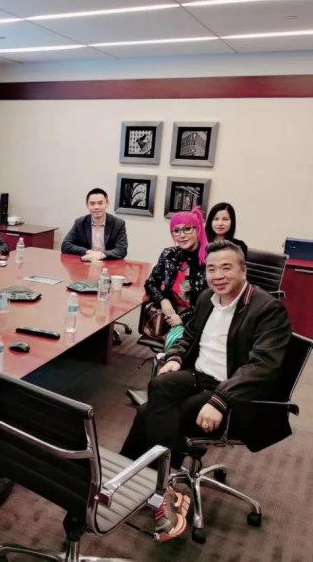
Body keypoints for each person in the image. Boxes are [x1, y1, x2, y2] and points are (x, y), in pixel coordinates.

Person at [121, 240, 291, 541]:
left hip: (234, 390)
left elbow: (262, 367)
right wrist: (174, 358)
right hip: (198, 376)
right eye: (212, 268)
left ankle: (141, 481)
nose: (218, 275)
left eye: (227, 268)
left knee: (154, 411)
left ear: (244, 270)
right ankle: (161, 486)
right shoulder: (206, 298)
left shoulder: (268, 309)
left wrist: (220, 399)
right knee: (159, 383)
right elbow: (188, 336)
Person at [144, 207, 208, 342]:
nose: (182, 235)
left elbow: (210, 299)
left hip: (198, 320)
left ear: (198, 230)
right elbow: (150, 283)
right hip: (170, 315)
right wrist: (163, 300)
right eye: (176, 231)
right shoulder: (169, 255)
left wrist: (182, 318)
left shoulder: (210, 259)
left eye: (187, 229)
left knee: (177, 347)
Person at [61, 188, 128, 261]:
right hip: (86, 263)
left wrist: (101, 255)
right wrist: (88, 252)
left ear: (107, 204)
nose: (96, 207)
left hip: (108, 263)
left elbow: (122, 250)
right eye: (92, 203)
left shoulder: (118, 224)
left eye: (100, 203)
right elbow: (65, 245)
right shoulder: (80, 223)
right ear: (87, 205)